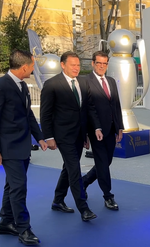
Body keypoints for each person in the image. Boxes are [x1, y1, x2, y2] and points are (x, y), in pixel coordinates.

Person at [0, 49, 48, 246]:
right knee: (19, 187)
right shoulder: (0, 86)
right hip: (8, 147)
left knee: (11, 186)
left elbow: (28, 114)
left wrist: (40, 138)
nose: (32, 69)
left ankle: (6, 223)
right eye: (31, 66)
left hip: (23, 145)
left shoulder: (22, 85)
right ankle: (24, 229)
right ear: (24, 67)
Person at [40, 51, 103, 222]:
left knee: (68, 168)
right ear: (63, 65)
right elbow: (45, 114)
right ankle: (84, 209)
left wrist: (93, 129)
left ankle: (58, 200)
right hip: (63, 135)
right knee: (74, 168)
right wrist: (49, 137)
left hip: (79, 134)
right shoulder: (52, 84)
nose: (76, 68)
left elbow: (88, 108)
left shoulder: (83, 82)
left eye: (78, 65)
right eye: (72, 65)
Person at [81, 51, 124, 211]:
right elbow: (86, 108)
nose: (101, 66)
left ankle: (84, 182)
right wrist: (88, 131)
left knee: (106, 162)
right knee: (102, 163)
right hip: (96, 130)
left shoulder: (111, 81)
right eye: (98, 63)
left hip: (111, 129)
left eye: (104, 63)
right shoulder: (86, 81)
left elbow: (116, 105)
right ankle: (108, 196)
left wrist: (120, 126)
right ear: (93, 63)